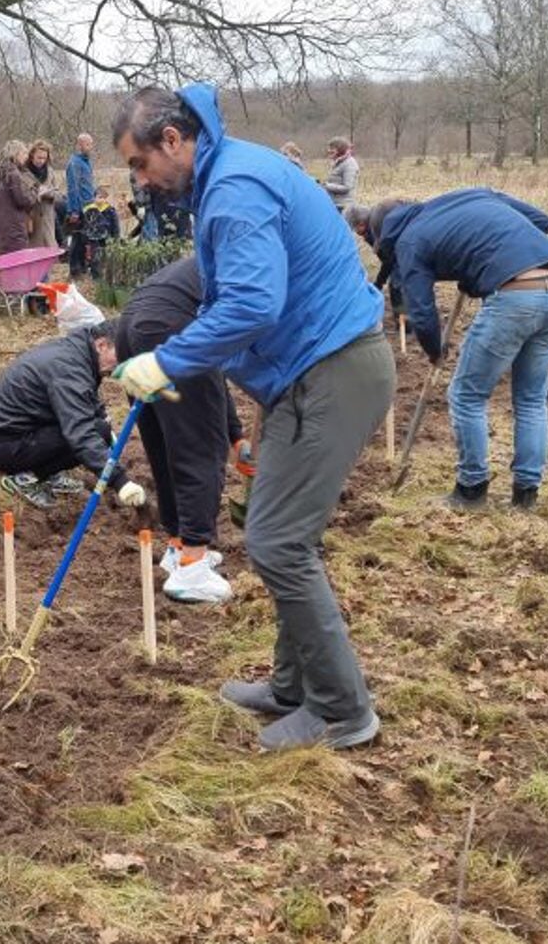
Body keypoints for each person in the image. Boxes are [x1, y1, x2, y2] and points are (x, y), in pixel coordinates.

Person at [109, 84, 392, 753]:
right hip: (310, 373)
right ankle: (295, 685)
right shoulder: (231, 176)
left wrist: (166, 361)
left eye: (140, 164)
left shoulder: (233, 190)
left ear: (173, 140)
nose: (140, 182)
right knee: (280, 531)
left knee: (276, 540)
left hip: (333, 370)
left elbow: (252, 307)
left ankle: (341, 709)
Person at [350, 191, 548, 512]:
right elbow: (542, 222)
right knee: (531, 398)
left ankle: (471, 490)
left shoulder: (409, 241)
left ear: (383, 232)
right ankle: (526, 495)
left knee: (466, 395)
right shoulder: (464, 199)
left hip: (514, 298)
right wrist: (478, 263)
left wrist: (434, 351)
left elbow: (422, 309)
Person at [113, 256, 248, 604]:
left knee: (165, 441)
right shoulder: (264, 263)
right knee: (200, 446)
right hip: (171, 326)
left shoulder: (219, 255)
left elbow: (213, 371)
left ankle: (178, 545)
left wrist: (236, 434)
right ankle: (193, 565)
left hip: (131, 328)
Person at [0, 321, 147, 511]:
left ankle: (47, 472)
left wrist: (103, 418)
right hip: (4, 445)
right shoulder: (69, 370)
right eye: (122, 357)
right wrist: (119, 481)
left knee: (101, 429)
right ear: (101, 345)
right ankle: (25, 478)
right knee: (93, 433)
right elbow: (80, 432)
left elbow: (85, 395)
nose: (122, 365)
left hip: (22, 430)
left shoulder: (79, 352)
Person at [0, 140, 40, 255]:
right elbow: (23, 200)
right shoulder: (13, 173)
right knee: (18, 259)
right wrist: (36, 194)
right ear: (16, 154)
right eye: (24, 153)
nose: (26, 157)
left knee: (3, 260)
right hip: (13, 226)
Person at [71, 184, 121, 278]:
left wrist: (116, 237)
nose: (102, 200)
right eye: (99, 197)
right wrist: (84, 236)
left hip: (106, 237)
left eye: (104, 198)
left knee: (105, 256)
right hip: (93, 238)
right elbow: (84, 223)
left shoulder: (110, 211)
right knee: (94, 257)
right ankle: (96, 275)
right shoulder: (89, 209)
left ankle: (107, 274)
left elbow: (115, 225)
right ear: (94, 198)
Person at [63, 132, 96, 250]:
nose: (90, 147)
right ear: (79, 146)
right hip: (79, 208)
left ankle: (83, 264)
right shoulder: (74, 163)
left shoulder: (86, 162)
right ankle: (75, 266)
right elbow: (73, 188)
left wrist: (96, 192)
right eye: (87, 144)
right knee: (76, 240)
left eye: (90, 144)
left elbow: (87, 184)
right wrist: (74, 211)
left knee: (86, 240)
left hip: (89, 206)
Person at [24, 139, 59, 248]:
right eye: (39, 157)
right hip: (31, 218)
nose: (41, 161)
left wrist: (48, 193)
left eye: (44, 158)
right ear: (32, 155)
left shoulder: (50, 172)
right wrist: (34, 193)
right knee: (32, 252)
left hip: (47, 218)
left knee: (49, 250)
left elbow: (57, 194)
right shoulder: (24, 172)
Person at [321, 137, 359, 211]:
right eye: (329, 149)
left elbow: (347, 187)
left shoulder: (350, 164)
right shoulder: (337, 163)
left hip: (344, 206)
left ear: (340, 150)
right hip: (334, 204)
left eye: (332, 149)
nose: (329, 151)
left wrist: (327, 186)